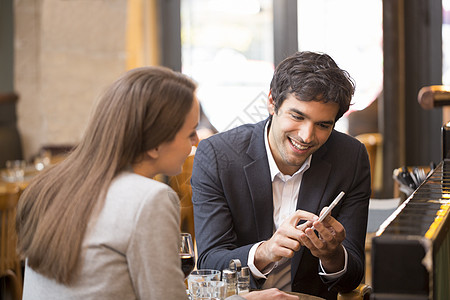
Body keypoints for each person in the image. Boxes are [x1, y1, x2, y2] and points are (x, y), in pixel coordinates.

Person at [16, 66, 297, 300]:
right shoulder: (149, 198)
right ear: (154, 144)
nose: (197, 142)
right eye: (189, 133)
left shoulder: (50, 185)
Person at [191, 51, 371, 300]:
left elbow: (352, 278)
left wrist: (332, 255)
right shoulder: (218, 156)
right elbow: (210, 262)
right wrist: (266, 251)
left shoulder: (350, 157)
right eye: (297, 116)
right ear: (272, 102)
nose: (307, 136)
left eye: (323, 125)